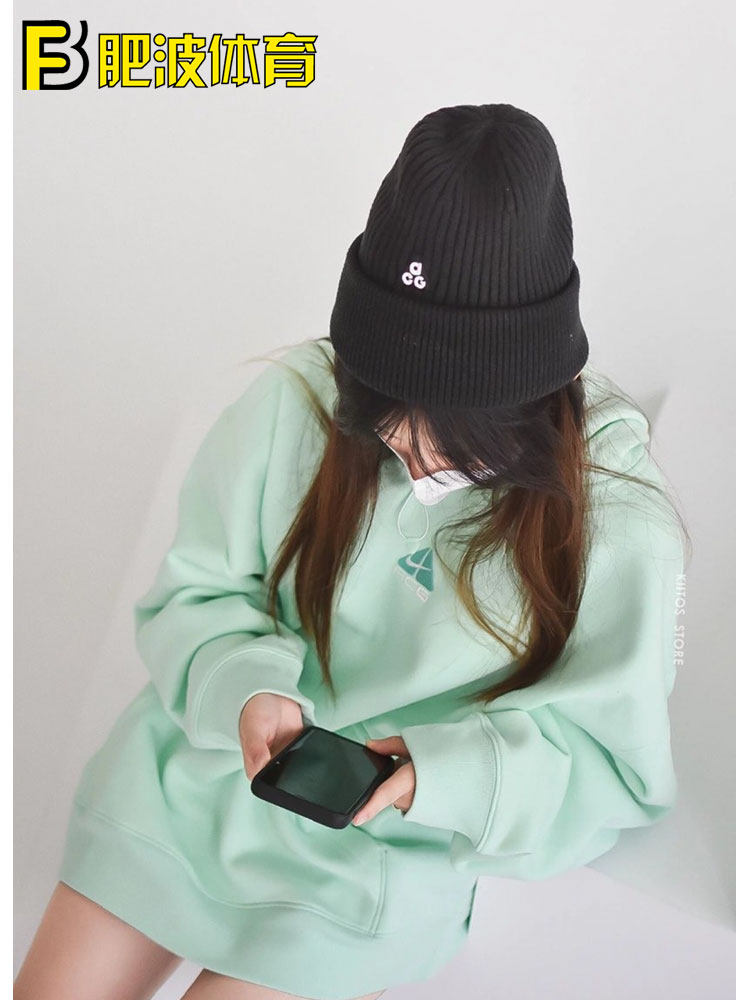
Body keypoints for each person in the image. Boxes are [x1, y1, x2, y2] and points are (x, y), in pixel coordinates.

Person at [15, 103, 689, 1000]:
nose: (404, 439)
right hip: (186, 787)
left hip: (376, 865)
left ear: (528, 391)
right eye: (383, 394)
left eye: (447, 416)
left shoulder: (614, 518)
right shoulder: (300, 396)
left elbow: (612, 765)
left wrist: (436, 775)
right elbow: (198, 592)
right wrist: (247, 687)